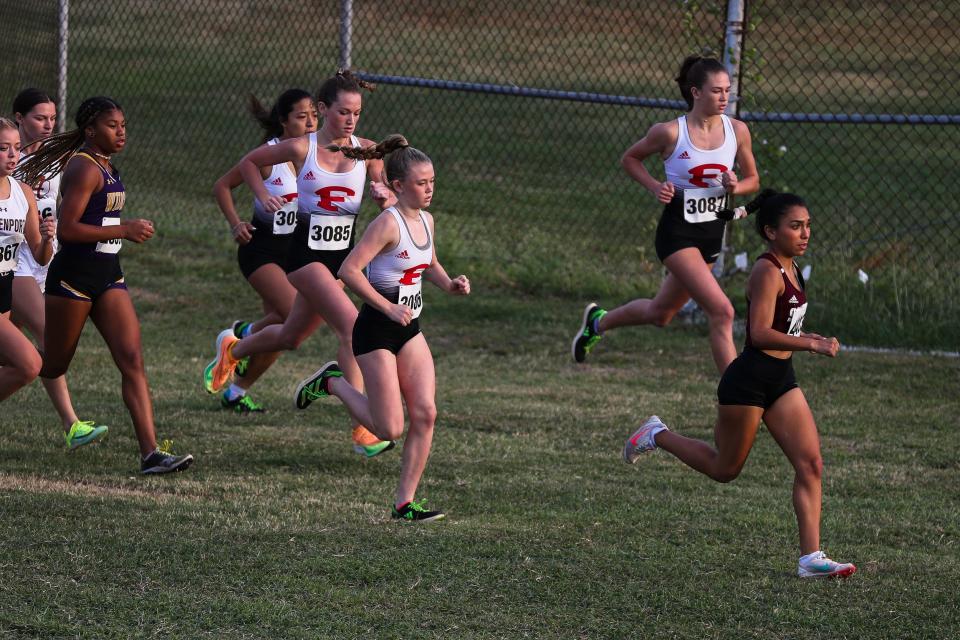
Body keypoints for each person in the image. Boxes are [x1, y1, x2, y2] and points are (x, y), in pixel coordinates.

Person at [622, 190, 856, 579]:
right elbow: (760, 333)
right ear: (770, 231)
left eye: (808, 225)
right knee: (724, 468)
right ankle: (657, 433)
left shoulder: (794, 267)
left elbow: (784, 325)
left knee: (811, 464)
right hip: (747, 383)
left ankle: (810, 557)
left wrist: (805, 335)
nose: (805, 233)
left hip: (781, 380)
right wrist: (808, 343)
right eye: (795, 226)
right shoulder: (767, 270)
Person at [205, 69, 394, 458]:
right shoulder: (301, 148)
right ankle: (363, 426)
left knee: (291, 336)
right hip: (305, 260)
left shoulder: (368, 151)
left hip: (343, 263)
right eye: (344, 112)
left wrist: (383, 194)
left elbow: (386, 191)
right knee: (352, 329)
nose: (351, 120)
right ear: (324, 110)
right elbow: (247, 164)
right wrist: (262, 194)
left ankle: (233, 350)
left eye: (357, 113)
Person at [292, 136, 469, 522]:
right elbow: (348, 271)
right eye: (422, 184)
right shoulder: (386, 225)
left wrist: (449, 283)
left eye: (433, 182)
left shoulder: (427, 220)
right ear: (398, 186)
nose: (429, 190)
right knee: (390, 428)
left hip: (409, 329)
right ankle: (334, 383)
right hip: (375, 330)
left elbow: (430, 263)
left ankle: (404, 504)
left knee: (426, 413)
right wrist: (388, 306)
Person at [18, 96, 193, 474]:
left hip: (108, 276)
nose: (121, 131)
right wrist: (124, 228)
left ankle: (150, 454)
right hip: (74, 279)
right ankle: (15, 354)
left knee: (132, 360)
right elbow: (67, 229)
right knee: (49, 365)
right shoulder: (84, 167)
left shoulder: (105, 165)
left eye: (124, 125)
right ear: (91, 130)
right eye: (113, 125)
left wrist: (119, 230)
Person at [573, 55, 759, 374]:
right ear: (695, 92)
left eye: (728, 90)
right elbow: (630, 158)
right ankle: (737, 394)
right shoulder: (670, 133)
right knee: (723, 311)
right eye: (717, 91)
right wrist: (654, 186)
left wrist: (735, 185)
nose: (725, 97)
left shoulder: (738, 130)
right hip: (677, 235)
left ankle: (598, 322)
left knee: (661, 313)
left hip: (712, 233)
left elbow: (753, 180)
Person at [206, 89, 317, 413]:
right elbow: (222, 186)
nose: (310, 122)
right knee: (291, 316)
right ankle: (240, 337)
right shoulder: (268, 157)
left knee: (282, 332)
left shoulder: (317, 155)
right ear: (283, 121)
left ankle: (236, 391)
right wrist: (235, 223)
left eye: (314, 114)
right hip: (261, 250)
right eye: (301, 116)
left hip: (295, 253)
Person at [11, 88, 109, 447]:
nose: (48, 124)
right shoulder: (9, 160)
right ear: (19, 119)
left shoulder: (57, 160)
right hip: (15, 261)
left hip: (44, 257)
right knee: (50, 337)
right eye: (40, 118)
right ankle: (72, 425)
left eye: (52, 118)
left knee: (14, 347)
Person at [0, 117, 54, 402]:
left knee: (15, 365)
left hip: (5, 291)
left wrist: (46, 239)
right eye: (3, 148)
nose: (12, 155)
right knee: (29, 364)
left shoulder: (23, 193)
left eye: (17, 148)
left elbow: (39, 255)